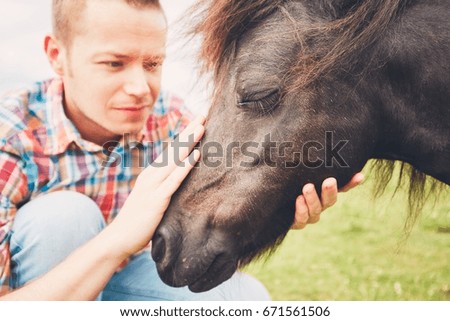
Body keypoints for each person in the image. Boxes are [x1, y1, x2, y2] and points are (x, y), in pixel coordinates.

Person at [0, 0, 363, 300]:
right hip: (38, 293)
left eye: (152, 64)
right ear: (56, 55)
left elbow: (228, 190)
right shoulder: (11, 137)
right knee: (65, 218)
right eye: (114, 63)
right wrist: (117, 239)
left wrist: (283, 195)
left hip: (125, 278)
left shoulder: (171, 121)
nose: (140, 87)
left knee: (246, 299)